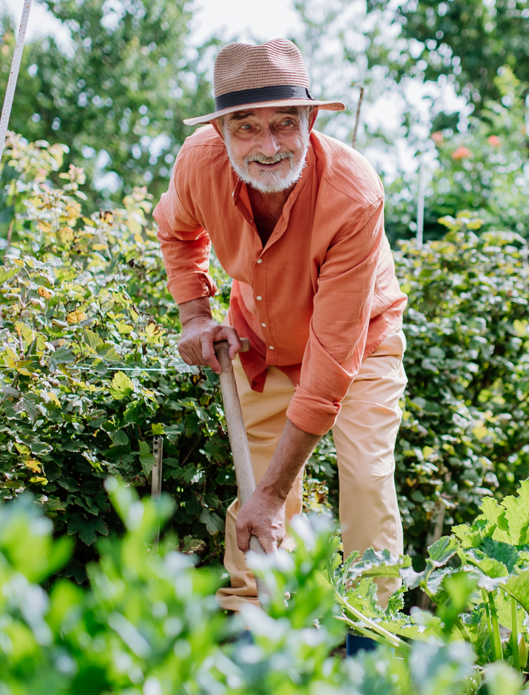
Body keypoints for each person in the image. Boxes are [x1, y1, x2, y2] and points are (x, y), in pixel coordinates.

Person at [154, 39, 409, 612]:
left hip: (359, 345)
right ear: (220, 133)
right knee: (259, 485)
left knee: (365, 476)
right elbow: (176, 231)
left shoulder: (353, 195)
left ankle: (373, 626)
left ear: (311, 119)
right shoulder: (198, 165)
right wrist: (194, 312)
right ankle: (252, 618)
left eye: (284, 124)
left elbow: (333, 355)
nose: (267, 146)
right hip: (263, 340)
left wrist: (271, 493)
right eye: (245, 127)